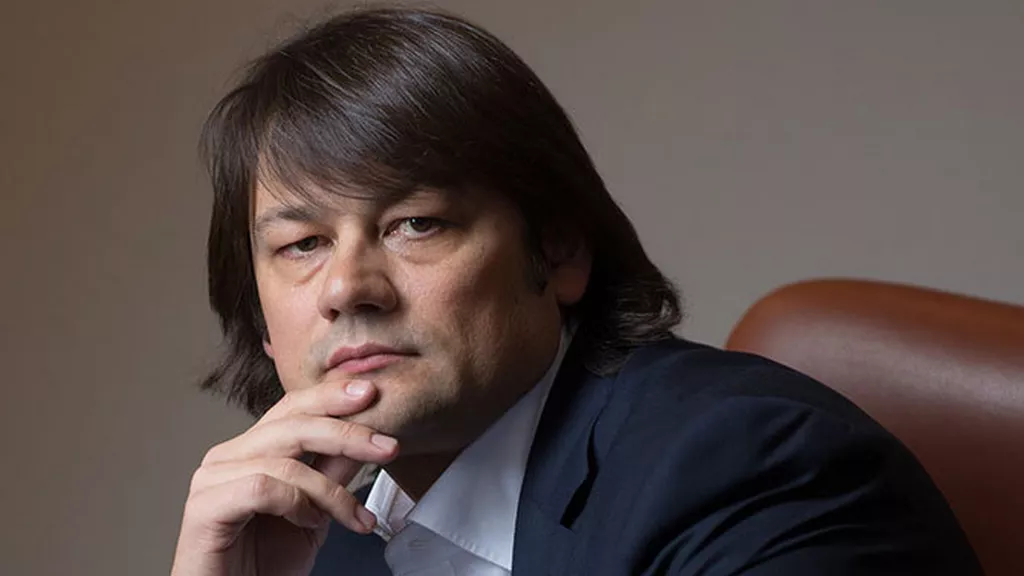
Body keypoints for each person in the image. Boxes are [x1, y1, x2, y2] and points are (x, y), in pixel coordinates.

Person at [171, 6, 982, 576]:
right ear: (262, 322)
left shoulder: (750, 471)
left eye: (417, 223)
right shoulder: (319, 541)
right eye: (302, 245)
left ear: (558, 250)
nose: (349, 287)